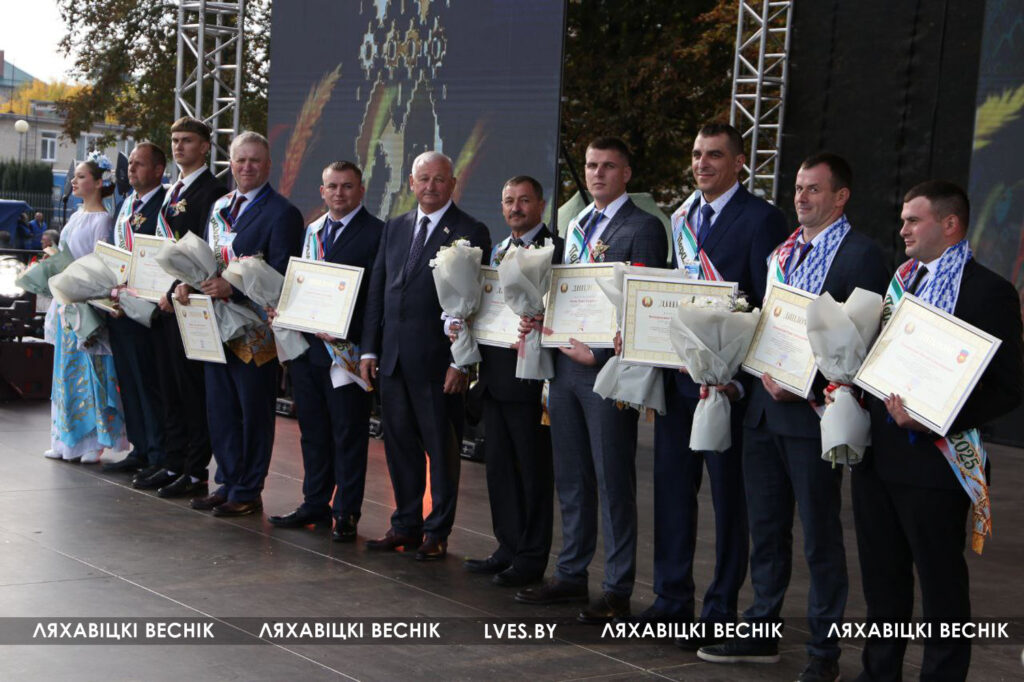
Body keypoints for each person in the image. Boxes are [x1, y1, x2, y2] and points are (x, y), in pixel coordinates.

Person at [697, 154, 889, 682]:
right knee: (765, 530)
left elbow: (862, 343)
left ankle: (824, 652)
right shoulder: (782, 251)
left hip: (812, 416)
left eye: (814, 189)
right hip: (763, 411)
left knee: (820, 537)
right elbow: (765, 324)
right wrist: (738, 378)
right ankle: (761, 629)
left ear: (841, 197)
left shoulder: (862, 255)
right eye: (799, 188)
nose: (801, 197)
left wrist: (804, 384)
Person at [851, 181, 1023, 682]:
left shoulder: (989, 291)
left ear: (949, 224)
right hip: (878, 456)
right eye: (903, 219)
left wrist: (938, 417)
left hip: (936, 464)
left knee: (941, 587)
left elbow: (1009, 388)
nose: (902, 229)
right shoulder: (899, 281)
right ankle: (878, 673)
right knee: (882, 583)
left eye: (913, 220)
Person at [642, 124, 787, 639]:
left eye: (715, 155)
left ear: (739, 162)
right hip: (678, 383)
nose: (702, 164)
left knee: (730, 503)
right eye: (697, 154)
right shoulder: (681, 216)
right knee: (672, 494)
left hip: (728, 390)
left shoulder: (763, 219)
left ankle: (720, 607)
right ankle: (670, 598)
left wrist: (738, 380)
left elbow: (766, 307)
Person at [514, 137, 667, 623]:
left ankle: (617, 587)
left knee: (612, 479)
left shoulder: (643, 227)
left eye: (608, 166)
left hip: (605, 371)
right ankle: (570, 573)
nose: (597, 173)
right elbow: (567, 290)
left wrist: (598, 354)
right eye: (591, 165)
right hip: (564, 365)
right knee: (572, 476)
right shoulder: (576, 224)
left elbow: (641, 303)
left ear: (626, 174)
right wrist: (543, 318)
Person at [359, 151, 491, 561]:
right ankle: (405, 525)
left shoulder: (471, 230)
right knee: (399, 446)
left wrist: (459, 362)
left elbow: (475, 305)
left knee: (442, 451)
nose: (430, 186)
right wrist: (369, 348)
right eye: (423, 178)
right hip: (393, 359)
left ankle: (438, 532)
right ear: (411, 183)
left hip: (438, 364)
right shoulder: (395, 226)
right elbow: (379, 289)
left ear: (452, 183)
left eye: (439, 179)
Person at [177, 131, 303, 517]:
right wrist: (188, 281)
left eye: (254, 160)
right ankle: (228, 482)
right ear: (230, 164)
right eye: (240, 160)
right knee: (221, 409)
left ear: (268, 165)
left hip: (254, 329)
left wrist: (234, 290)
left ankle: (248, 489)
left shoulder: (282, 212)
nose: (247, 167)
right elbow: (207, 258)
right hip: (215, 325)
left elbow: (281, 276)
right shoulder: (220, 206)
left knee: (253, 412)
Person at [267, 161, 382, 541]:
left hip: (347, 353)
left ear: (361, 190)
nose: (339, 193)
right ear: (322, 191)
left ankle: (346, 511)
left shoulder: (377, 232)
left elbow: (375, 300)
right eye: (332, 186)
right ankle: (314, 502)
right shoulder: (312, 230)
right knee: (313, 433)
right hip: (309, 350)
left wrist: (350, 333)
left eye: (347, 186)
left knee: (348, 434)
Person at [458, 175, 562, 587]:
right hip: (495, 377)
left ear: (541, 204)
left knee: (532, 473)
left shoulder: (556, 251)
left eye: (523, 200)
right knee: (499, 470)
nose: (515, 208)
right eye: (508, 201)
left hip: (532, 381)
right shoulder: (498, 250)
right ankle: (507, 547)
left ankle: (531, 557)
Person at [147, 116, 229, 498]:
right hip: (166, 301)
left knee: (192, 391)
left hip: (191, 300)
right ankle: (173, 462)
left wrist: (182, 286)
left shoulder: (213, 191)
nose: (179, 147)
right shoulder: (171, 190)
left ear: (205, 147)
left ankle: (195, 471)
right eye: (175, 140)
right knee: (170, 389)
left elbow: (208, 250)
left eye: (188, 140)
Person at [44, 155, 127, 463]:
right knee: (65, 370)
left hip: (85, 302)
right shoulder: (77, 214)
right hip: (67, 301)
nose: (74, 182)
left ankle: (92, 440)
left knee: (90, 372)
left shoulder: (102, 220)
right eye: (75, 176)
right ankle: (64, 438)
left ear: (98, 182)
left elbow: (100, 264)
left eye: (81, 177)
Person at [100, 142, 169, 482]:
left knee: (148, 383)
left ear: (158, 170)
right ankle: (140, 448)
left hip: (148, 308)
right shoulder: (126, 203)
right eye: (131, 164)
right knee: (129, 381)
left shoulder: (165, 203)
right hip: (121, 305)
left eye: (140, 164)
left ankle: (158, 453)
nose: (132, 169)